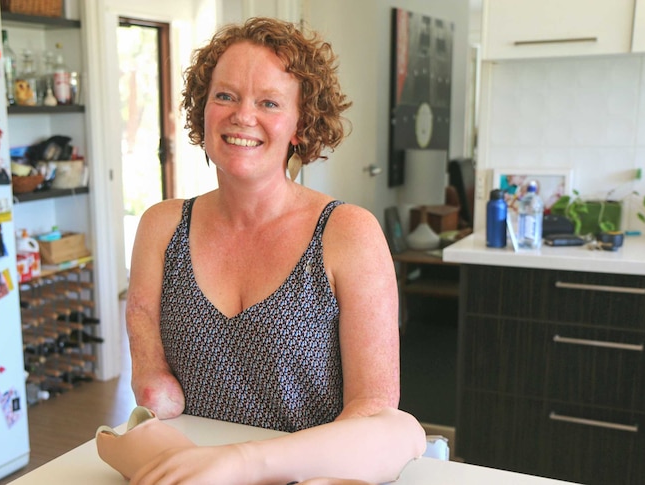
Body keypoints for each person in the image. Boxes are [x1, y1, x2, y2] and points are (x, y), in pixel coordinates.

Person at [124, 17, 425, 485]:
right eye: (224, 96)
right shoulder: (162, 227)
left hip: (311, 475)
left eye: (269, 102)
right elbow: (142, 314)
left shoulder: (348, 233)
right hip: (192, 472)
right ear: (202, 111)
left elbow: (373, 409)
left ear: (301, 126)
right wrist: (151, 372)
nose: (243, 116)